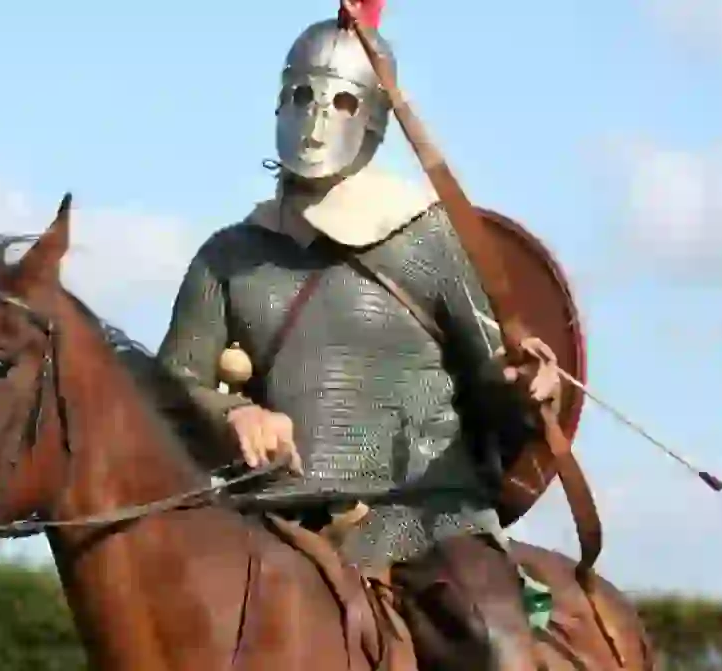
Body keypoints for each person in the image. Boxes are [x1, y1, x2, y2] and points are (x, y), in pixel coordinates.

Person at [156, 13, 561, 670]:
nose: (317, 118)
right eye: (302, 95)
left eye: (342, 99)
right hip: (274, 523)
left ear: (373, 116)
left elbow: (495, 392)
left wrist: (523, 386)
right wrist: (236, 412)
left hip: (425, 517)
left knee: (498, 645)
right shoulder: (230, 257)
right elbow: (169, 385)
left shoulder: (427, 239)